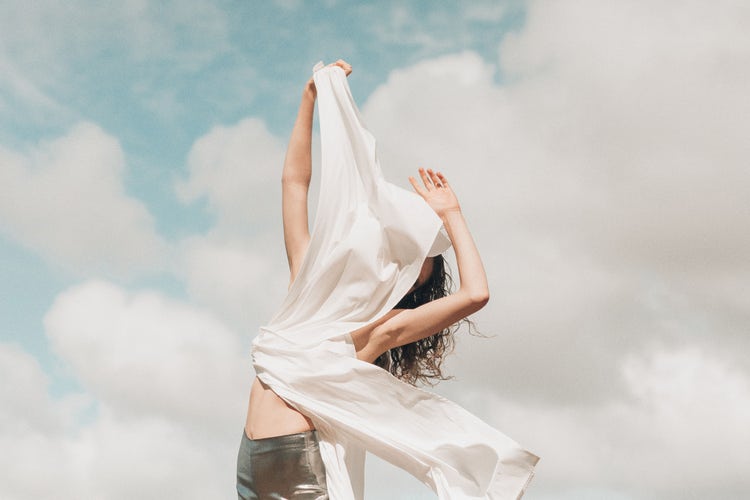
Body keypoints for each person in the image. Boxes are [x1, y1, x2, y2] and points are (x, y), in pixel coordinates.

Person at [237, 60, 537, 499]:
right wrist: (309, 100)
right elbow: (294, 184)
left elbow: (476, 294)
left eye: (410, 274)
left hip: (301, 473)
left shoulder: (377, 331)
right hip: (252, 468)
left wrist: (452, 215)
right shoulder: (310, 292)